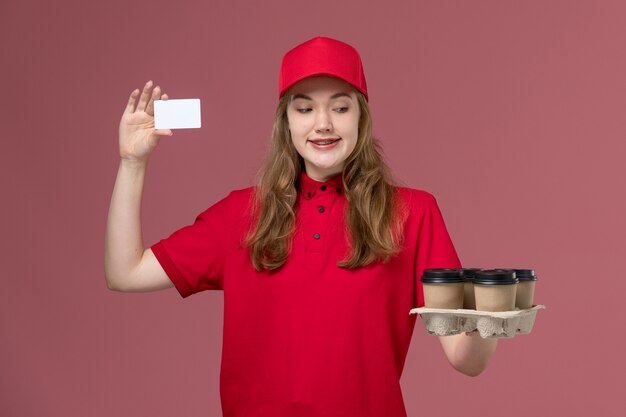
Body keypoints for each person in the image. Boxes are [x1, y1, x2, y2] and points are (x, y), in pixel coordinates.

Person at [105, 36, 497, 417]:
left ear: (361, 116)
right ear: (286, 121)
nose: (322, 124)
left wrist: (491, 320)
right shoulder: (240, 214)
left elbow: (465, 358)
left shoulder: (413, 213)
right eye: (304, 109)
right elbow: (125, 272)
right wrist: (132, 163)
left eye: (340, 108)